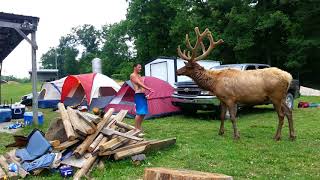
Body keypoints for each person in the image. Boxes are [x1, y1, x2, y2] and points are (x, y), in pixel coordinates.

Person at [130, 63, 154, 131]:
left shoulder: (139, 75)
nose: (140, 68)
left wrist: (147, 93)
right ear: (135, 67)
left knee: (143, 113)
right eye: (139, 67)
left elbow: (142, 84)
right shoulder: (132, 75)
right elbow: (138, 83)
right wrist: (148, 88)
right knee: (139, 112)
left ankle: (139, 127)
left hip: (142, 95)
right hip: (138, 95)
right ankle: (136, 128)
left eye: (141, 67)